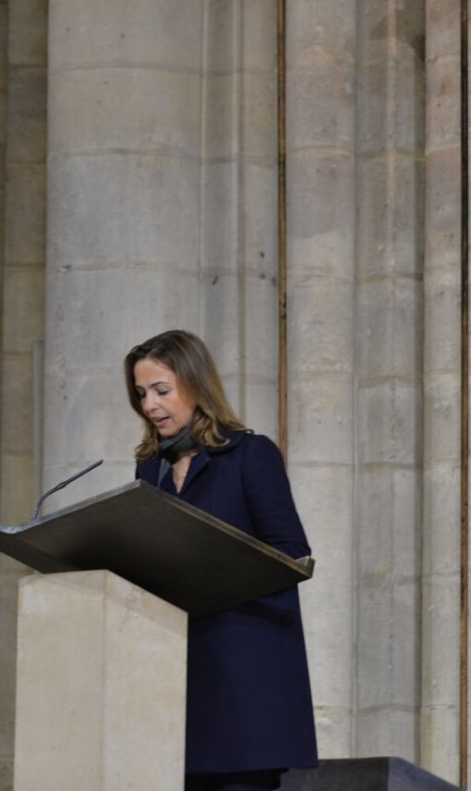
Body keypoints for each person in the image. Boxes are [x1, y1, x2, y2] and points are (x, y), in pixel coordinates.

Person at [124, 330, 318, 791]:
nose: (150, 405)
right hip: (176, 677)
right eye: (141, 393)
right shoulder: (149, 469)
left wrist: (211, 564)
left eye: (161, 391)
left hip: (242, 677)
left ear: (195, 385)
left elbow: (291, 552)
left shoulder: (250, 455)